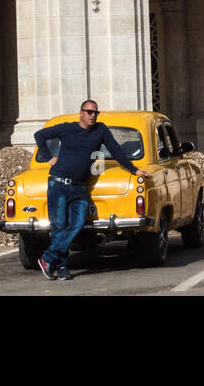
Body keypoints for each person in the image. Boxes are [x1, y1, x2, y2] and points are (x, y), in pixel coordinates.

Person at [33, 100, 139, 282]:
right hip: (58, 184)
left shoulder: (101, 130)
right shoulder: (67, 128)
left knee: (77, 223)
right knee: (59, 227)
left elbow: (116, 150)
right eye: (89, 112)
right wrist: (48, 157)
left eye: (95, 112)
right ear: (81, 112)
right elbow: (39, 135)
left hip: (79, 186)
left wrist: (134, 170)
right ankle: (63, 268)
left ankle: (48, 258)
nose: (92, 115)